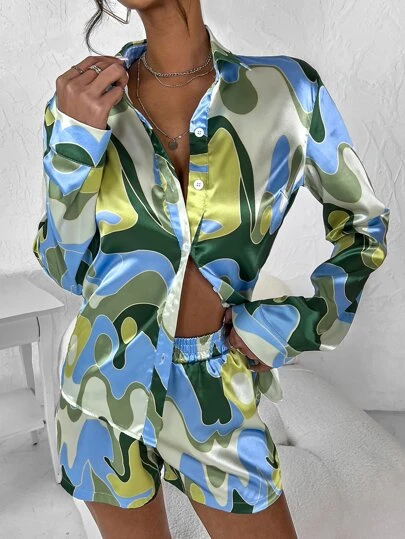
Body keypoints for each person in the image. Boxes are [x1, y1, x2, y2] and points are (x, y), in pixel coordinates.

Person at [32, 1, 390, 538]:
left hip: (214, 388)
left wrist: (292, 323)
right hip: (99, 388)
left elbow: (363, 225)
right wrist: (73, 143)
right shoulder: (85, 102)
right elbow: (66, 267)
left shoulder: (287, 91)